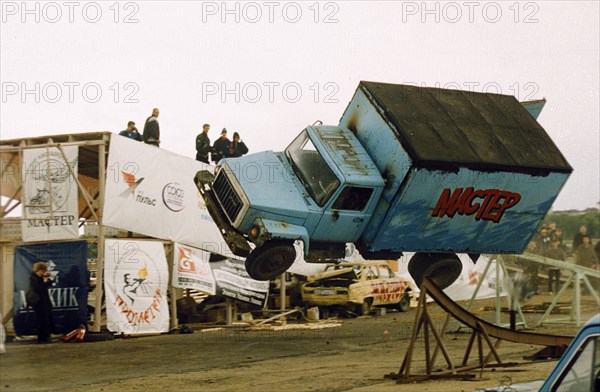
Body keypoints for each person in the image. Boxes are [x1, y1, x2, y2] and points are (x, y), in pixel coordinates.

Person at [29, 262, 54, 343]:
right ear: (38, 270)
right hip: (38, 302)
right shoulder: (33, 278)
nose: (43, 273)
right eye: (42, 271)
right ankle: (41, 338)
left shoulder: (42, 277)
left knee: (47, 319)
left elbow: (50, 283)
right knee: (40, 320)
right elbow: (37, 288)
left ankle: (46, 336)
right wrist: (44, 281)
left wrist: (46, 279)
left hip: (45, 300)